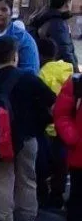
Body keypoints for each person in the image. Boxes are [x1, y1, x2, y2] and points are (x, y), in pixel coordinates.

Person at [0, 36, 56, 221]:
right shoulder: (28, 77)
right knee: (27, 178)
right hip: (27, 136)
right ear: (15, 56)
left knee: (2, 180)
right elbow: (52, 101)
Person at [36, 38, 73, 210]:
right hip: (67, 127)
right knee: (62, 163)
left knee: (45, 164)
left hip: (49, 128)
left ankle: (46, 196)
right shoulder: (68, 69)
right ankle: (58, 194)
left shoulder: (42, 73)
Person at [53, 73, 82, 221]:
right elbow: (61, 114)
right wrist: (73, 138)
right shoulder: (76, 83)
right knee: (79, 202)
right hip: (79, 156)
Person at [29, 0, 77, 70]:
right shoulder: (58, 24)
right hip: (57, 72)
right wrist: (75, 72)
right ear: (67, 3)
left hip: (45, 68)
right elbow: (65, 51)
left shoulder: (45, 17)